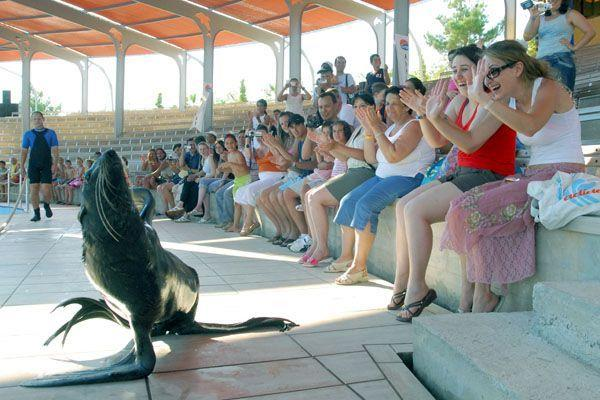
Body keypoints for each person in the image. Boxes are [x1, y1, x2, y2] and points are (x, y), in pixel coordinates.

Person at [441, 40, 585, 313]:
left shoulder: (547, 87)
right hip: (534, 175)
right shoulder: (507, 100)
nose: (488, 79)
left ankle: (482, 297)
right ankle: (478, 294)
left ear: (517, 68)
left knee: (471, 208)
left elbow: (530, 127)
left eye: (493, 71)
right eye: (484, 73)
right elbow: (467, 139)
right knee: (462, 206)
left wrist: (484, 98)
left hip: (563, 173)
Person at [393, 44, 516, 321]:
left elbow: (470, 145)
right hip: (463, 173)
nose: (459, 76)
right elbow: (438, 141)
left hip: (489, 175)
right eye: (454, 71)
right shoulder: (461, 100)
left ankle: (417, 288)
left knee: (416, 211)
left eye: (465, 69)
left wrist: (435, 116)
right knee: (403, 205)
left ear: (482, 69)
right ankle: (414, 286)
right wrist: (425, 115)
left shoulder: (495, 100)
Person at [332, 86, 434, 285]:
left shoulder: (414, 125)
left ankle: (359, 266)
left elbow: (393, 155)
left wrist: (376, 128)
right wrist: (370, 131)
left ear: (407, 106)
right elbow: (372, 158)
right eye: (387, 104)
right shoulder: (389, 129)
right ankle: (346, 257)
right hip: (382, 177)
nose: (389, 108)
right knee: (348, 201)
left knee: (365, 205)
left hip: (407, 177)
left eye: (395, 104)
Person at [300, 93, 378, 267]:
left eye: (363, 106)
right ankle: (316, 244)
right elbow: (344, 158)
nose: (359, 110)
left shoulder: (374, 127)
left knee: (315, 197)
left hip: (363, 173)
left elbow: (368, 157)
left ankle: (322, 248)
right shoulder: (359, 129)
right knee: (309, 195)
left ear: (373, 107)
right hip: (353, 170)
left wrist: (336, 146)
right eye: (356, 106)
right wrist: (327, 145)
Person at [523, 0, 595, 91]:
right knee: (540, 96)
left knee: (563, 94)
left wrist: (574, 47)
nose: (551, 0)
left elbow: (590, 32)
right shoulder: (539, 18)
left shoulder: (571, 14)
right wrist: (532, 17)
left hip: (562, 58)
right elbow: (527, 36)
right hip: (541, 62)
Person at [234, 125, 287, 236]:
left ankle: (247, 222)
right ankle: (253, 221)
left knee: (250, 190)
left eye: (262, 134)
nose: (260, 137)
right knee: (239, 192)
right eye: (257, 134)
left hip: (276, 176)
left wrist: (269, 142)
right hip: (264, 179)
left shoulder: (273, 144)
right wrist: (248, 138)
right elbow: (248, 156)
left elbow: (279, 155)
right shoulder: (257, 149)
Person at [20, 111, 59, 221]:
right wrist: (22, 165)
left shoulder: (51, 133)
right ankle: (36, 213)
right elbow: (24, 151)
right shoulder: (28, 134)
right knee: (34, 189)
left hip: (47, 164)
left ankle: (46, 205)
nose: (37, 120)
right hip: (33, 164)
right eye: (34, 119)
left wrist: (55, 164)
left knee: (46, 189)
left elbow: (55, 150)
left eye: (39, 118)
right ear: (32, 121)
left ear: (43, 119)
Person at [216, 133, 251, 232]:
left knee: (242, 203)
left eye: (231, 143)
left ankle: (251, 221)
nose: (229, 145)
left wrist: (230, 163)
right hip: (237, 180)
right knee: (237, 204)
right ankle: (235, 226)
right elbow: (233, 170)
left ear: (235, 143)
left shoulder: (238, 154)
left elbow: (244, 168)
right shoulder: (229, 155)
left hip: (244, 179)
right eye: (227, 143)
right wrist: (222, 169)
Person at [174, 142, 216, 222]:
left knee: (193, 189)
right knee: (188, 179)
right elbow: (203, 171)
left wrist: (200, 179)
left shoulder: (210, 158)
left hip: (209, 180)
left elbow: (213, 173)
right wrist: (195, 176)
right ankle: (182, 205)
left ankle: (185, 212)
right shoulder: (204, 158)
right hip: (205, 179)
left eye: (204, 149)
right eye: (200, 149)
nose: (202, 151)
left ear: (208, 149)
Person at [165, 138, 200, 219]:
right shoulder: (187, 154)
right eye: (190, 145)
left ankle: (181, 212)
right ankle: (178, 212)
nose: (192, 146)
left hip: (194, 177)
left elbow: (198, 170)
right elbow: (181, 165)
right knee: (175, 188)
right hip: (187, 177)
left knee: (181, 189)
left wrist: (189, 169)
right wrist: (183, 151)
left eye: (193, 144)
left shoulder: (199, 155)